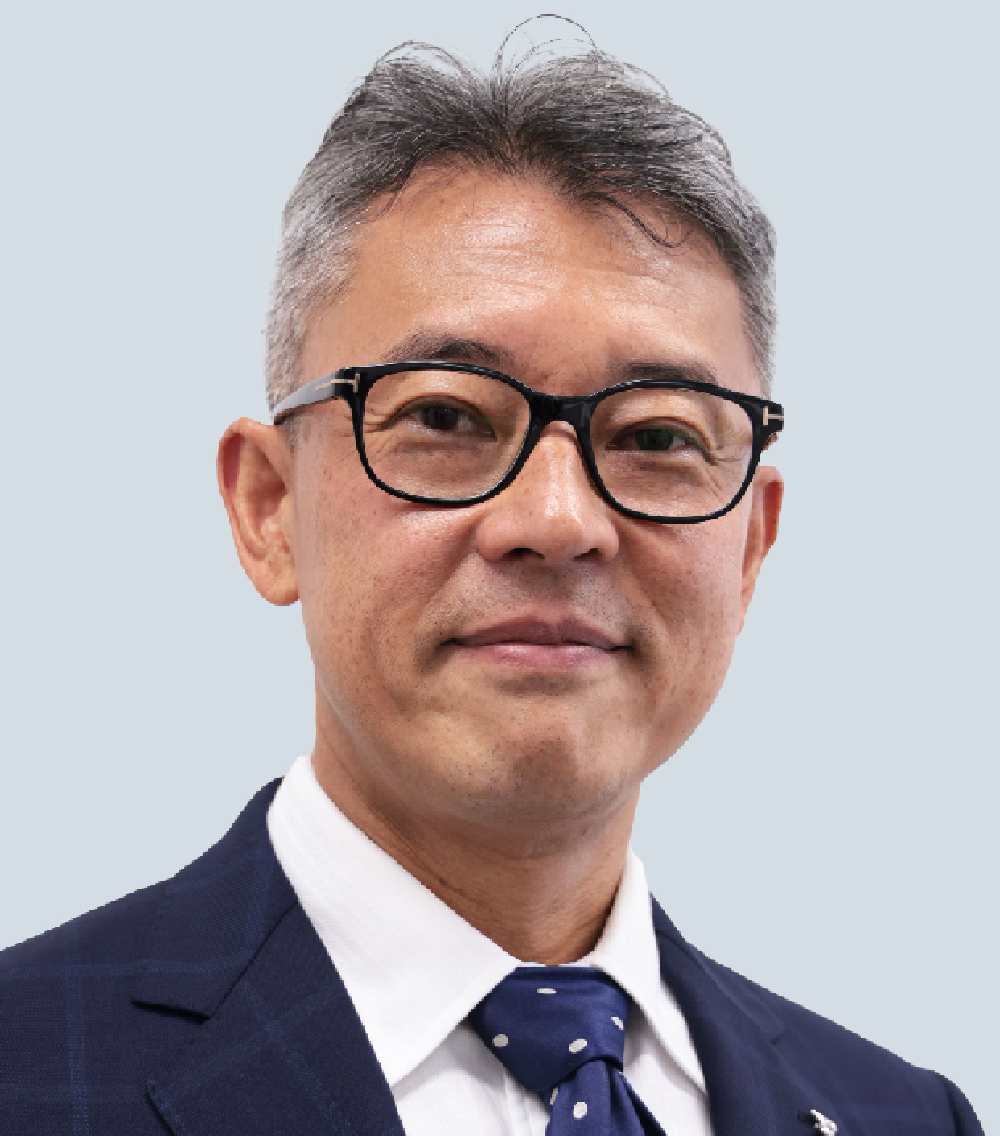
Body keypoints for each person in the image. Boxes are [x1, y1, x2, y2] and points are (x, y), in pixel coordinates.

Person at [0, 32, 983, 1136]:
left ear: (751, 547)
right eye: (446, 416)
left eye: (657, 435)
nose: (558, 521)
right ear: (269, 506)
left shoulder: (905, 1115)